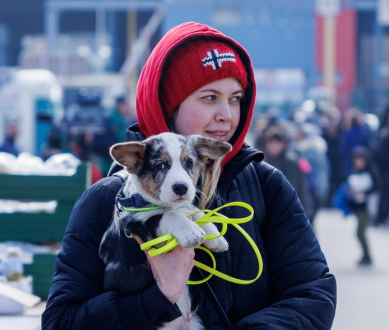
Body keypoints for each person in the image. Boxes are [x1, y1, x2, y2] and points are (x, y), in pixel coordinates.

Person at [42, 22, 337, 329]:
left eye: (235, 98)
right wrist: (156, 298)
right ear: (169, 107)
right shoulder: (106, 201)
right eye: (210, 97)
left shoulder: (267, 186)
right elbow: (60, 322)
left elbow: (312, 295)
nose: (226, 113)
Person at [260, 122, 315, 223]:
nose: (274, 146)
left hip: (291, 211)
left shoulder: (290, 161)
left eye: (277, 143)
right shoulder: (265, 160)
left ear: (283, 143)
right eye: (271, 143)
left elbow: (294, 188)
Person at [343, 146, 378, 266]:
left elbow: (377, 188)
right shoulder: (353, 173)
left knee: (360, 232)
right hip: (358, 208)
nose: (359, 163)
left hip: (367, 208)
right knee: (360, 232)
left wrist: (364, 193)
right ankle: (365, 255)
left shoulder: (371, 172)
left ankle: (367, 255)